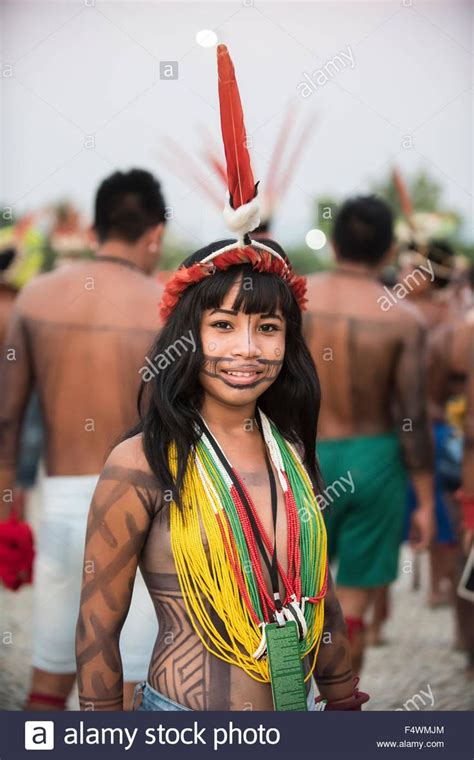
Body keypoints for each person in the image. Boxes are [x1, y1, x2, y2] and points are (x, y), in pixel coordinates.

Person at [76, 44, 368, 713]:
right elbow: (98, 630)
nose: (247, 349)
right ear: (188, 338)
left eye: (268, 328)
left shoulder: (289, 453)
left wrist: (346, 704)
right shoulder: (142, 464)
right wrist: (97, 733)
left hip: (301, 721)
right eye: (224, 326)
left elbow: (317, 596)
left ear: (289, 343)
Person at [0, 168, 166, 710]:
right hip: (140, 515)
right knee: (128, 688)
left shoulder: (36, 299)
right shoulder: (168, 307)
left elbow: (7, 418)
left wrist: (6, 504)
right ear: (156, 235)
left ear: (95, 229)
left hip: (62, 512)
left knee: (48, 680)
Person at [303, 195, 434, 673]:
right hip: (375, 461)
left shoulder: (296, 300)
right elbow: (413, 416)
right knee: (351, 609)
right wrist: (423, 499)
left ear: (334, 244)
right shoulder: (402, 318)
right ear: (385, 253)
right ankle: (341, 720)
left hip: (302, 458)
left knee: (294, 598)